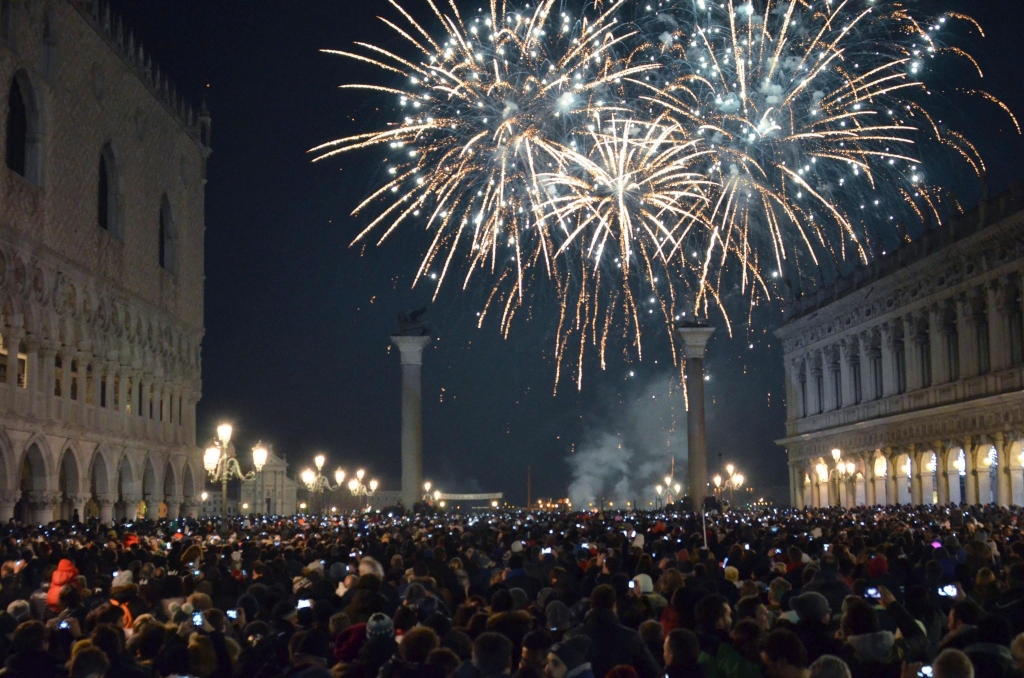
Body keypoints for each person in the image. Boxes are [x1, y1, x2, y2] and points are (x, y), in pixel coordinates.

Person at [574, 586, 659, 678]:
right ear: (614, 606)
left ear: (591, 605)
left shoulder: (573, 636)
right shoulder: (630, 637)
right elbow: (651, 671)